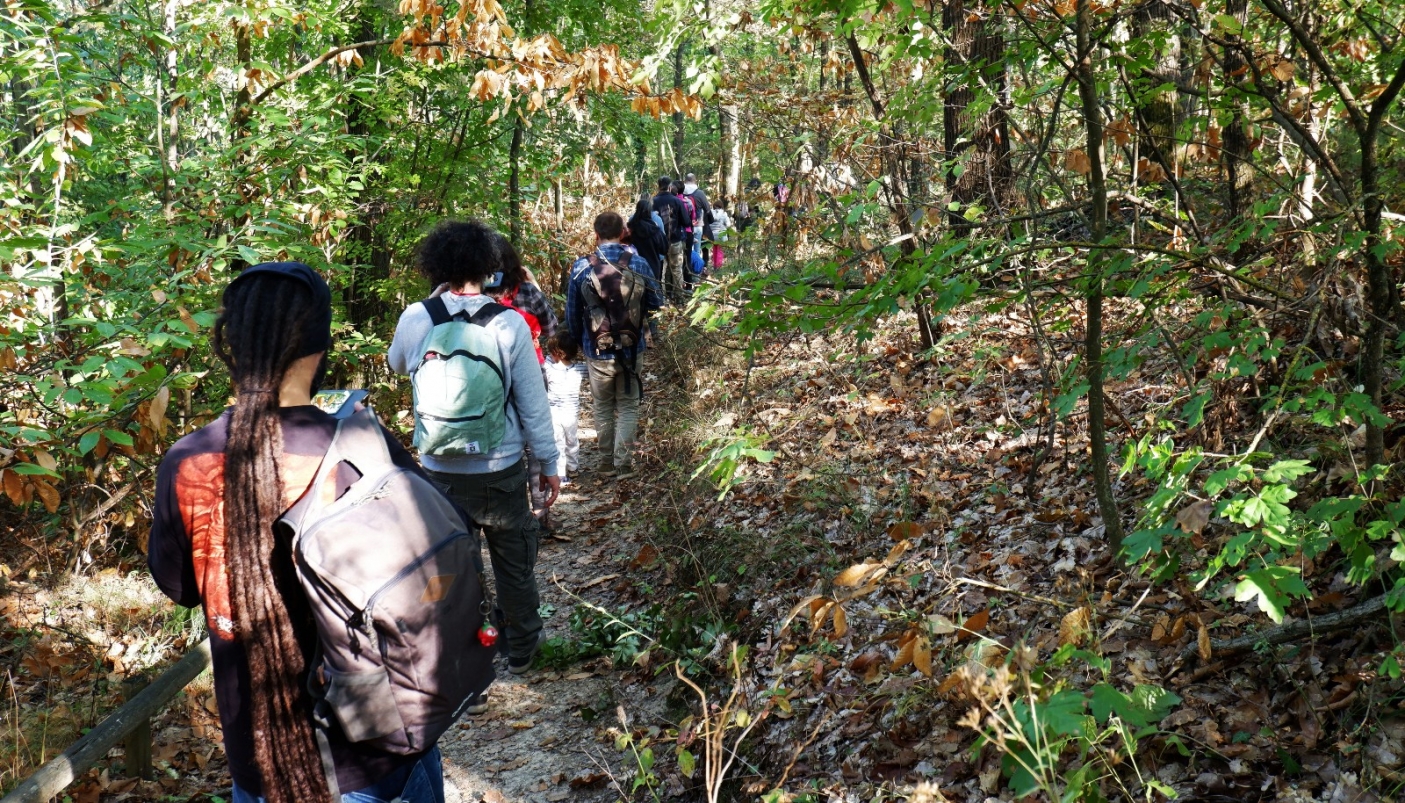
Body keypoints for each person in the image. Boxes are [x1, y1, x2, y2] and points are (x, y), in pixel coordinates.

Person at [148, 262, 450, 803]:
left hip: (259, 762)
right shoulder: (362, 447)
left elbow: (181, 587)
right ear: (319, 348)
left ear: (232, 347)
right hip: (373, 750)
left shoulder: (187, 463)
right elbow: (436, 561)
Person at [388, 220, 560, 676]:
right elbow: (532, 402)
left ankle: (465, 664)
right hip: (499, 466)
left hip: (438, 468)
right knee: (513, 563)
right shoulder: (508, 322)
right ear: (490, 268)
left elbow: (396, 363)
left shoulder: (416, 317)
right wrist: (548, 462)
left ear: (436, 266)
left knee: (452, 569)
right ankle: (523, 647)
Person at [565, 211, 663, 478]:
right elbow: (657, 304)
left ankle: (606, 462)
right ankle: (624, 464)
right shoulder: (639, 263)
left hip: (596, 349)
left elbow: (572, 311)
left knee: (603, 405)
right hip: (633, 347)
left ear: (596, 234)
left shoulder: (581, 267)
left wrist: (579, 342)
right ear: (623, 233)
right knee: (629, 404)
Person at [485, 233, 559, 523]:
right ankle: (541, 512)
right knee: (535, 441)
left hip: (490, 377)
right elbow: (552, 328)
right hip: (531, 370)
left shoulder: (475, 298)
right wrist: (534, 285)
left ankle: (503, 513)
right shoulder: (527, 292)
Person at [543, 333, 587, 497]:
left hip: (556, 413)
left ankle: (563, 472)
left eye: (551, 352)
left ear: (557, 353)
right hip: (568, 413)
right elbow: (593, 370)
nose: (549, 355)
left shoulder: (548, 368)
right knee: (571, 440)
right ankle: (571, 468)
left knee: (559, 442)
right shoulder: (579, 369)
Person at [652, 176, 688, 303]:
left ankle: (665, 296)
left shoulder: (653, 201)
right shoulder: (676, 201)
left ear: (658, 186)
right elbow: (686, 221)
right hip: (675, 240)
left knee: (662, 270)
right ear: (670, 187)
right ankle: (679, 297)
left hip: (658, 242)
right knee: (676, 269)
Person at [626, 197, 667, 279]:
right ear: (649, 211)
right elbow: (664, 249)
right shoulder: (655, 230)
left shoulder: (630, 228)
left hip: (634, 267)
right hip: (653, 267)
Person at [710, 200, 732, 270]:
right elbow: (728, 224)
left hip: (712, 234)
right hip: (721, 234)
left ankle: (714, 265)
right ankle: (718, 266)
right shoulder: (724, 214)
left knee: (714, 249)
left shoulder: (711, 213)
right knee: (720, 250)